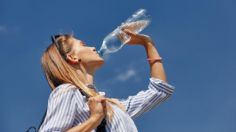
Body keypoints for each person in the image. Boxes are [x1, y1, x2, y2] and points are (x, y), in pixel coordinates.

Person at [38, 29, 175, 132]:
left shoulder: (111, 105)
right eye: (83, 45)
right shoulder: (67, 91)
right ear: (73, 58)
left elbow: (159, 92)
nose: (92, 47)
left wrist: (147, 44)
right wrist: (94, 119)